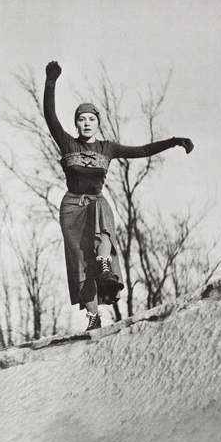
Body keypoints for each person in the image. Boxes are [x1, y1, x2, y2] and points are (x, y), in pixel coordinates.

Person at [43, 61, 194, 331]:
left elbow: (143, 151)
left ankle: (105, 266)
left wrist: (173, 141)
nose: (86, 123)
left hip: (95, 203)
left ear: (97, 123)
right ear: (76, 123)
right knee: (79, 259)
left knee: (102, 207)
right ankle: (92, 316)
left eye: (91, 119)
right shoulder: (68, 143)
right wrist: (51, 81)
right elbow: (50, 117)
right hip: (71, 208)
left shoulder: (107, 148)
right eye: (82, 119)